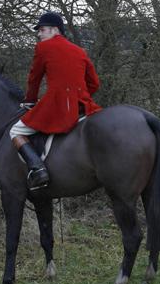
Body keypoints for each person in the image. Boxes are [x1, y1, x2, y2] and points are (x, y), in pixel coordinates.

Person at [9, 12, 102, 189]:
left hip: (57, 105)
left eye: (42, 30)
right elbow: (94, 83)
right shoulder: (80, 51)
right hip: (84, 106)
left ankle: (37, 169)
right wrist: (80, 95)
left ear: (55, 30)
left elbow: (34, 79)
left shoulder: (43, 48)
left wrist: (30, 101)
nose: (39, 34)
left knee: (15, 131)